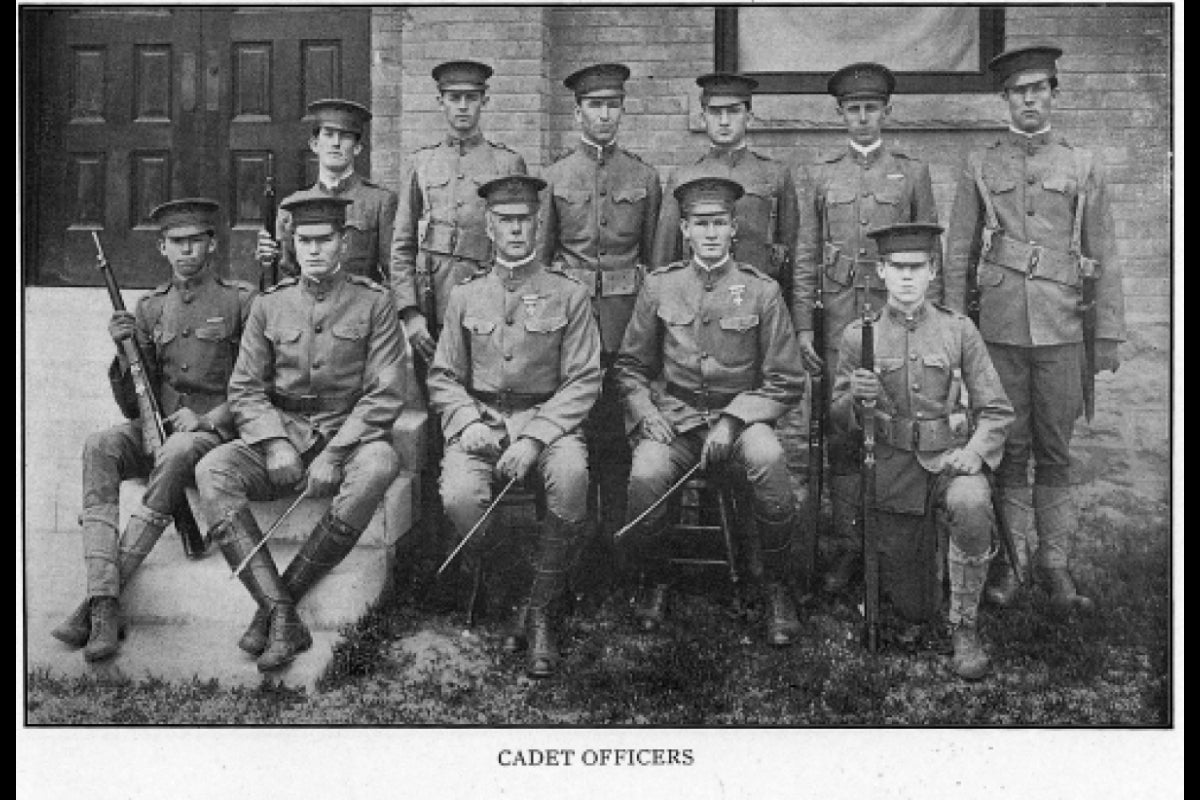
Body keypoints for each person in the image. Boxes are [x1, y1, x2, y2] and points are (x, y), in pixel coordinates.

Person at [944, 44, 1124, 615]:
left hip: (1064, 327)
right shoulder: (980, 164)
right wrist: (954, 335)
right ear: (1004, 99)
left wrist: (1109, 334)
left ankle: (1055, 566)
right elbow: (957, 255)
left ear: (1052, 93)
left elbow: (1106, 252)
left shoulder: (1082, 165)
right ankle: (1010, 563)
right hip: (997, 331)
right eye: (1019, 91)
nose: (1030, 99)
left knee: (1055, 449)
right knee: (1007, 446)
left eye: (1039, 88)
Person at [194, 194, 407, 672]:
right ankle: (283, 614)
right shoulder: (270, 305)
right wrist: (272, 442)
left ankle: (277, 605)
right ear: (292, 242)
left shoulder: (374, 303)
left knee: (379, 464)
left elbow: (386, 392)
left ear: (344, 242)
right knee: (213, 468)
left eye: (324, 240)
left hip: (347, 433)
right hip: (284, 434)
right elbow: (245, 389)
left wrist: (337, 452)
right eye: (304, 240)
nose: (313, 250)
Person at [51, 198, 256, 661]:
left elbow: (256, 384)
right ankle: (105, 602)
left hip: (212, 437)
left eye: (195, 241)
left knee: (180, 448)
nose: (186, 251)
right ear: (162, 248)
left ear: (212, 244)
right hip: (157, 432)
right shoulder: (149, 309)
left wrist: (209, 418)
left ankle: (96, 606)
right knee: (100, 445)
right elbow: (132, 401)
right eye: (176, 243)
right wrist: (124, 354)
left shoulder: (240, 300)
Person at [614, 176, 806, 647]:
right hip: (677, 419)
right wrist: (643, 410)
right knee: (646, 472)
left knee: (769, 461)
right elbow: (630, 367)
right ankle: (655, 579)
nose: (711, 233)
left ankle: (776, 585)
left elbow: (786, 379)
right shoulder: (661, 287)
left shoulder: (761, 291)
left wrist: (734, 419)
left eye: (719, 223)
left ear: (734, 228)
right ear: (685, 230)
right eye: (702, 224)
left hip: (741, 419)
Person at [427, 175, 601, 679]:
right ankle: (515, 584)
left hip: (549, 421)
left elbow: (584, 380)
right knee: (459, 497)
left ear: (539, 223)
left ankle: (541, 611)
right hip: (480, 419)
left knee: (570, 479)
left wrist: (534, 437)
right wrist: (464, 421)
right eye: (506, 221)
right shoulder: (465, 296)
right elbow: (443, 376)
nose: (516, 230)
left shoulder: (567, 294)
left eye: (525, 219)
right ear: (489, 225)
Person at [830, 222, 1014, 679]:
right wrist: (856, 398)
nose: (907, 277)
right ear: (882, 273)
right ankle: (926, 600)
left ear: (932, 272)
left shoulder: (959, 330)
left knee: (971, 502)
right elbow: (837, 422)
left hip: (951, 462)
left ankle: (965, 627)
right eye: (898, 268)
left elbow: (996, 410)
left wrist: (975, 452)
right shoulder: (859, 336)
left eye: (917, 267)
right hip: (892, 473)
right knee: (913, 609)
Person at [791, 61, 943, 595]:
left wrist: (934, 327)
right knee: (843, 429)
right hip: (837, 319)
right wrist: (804, 330)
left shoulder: (911, 172)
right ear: (840, 114)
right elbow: (807, 254)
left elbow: (931, 254)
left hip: (895, 318)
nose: (862, 118)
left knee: (897, 419)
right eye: (853, 109)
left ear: (886, 111)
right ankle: (851, 548)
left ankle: (894, 545)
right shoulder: (822, 174)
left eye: (871, 108)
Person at [536, 61, 662, 547]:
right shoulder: (554, 177)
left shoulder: (644, 177)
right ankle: (574, 540)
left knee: (617, 435)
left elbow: (655, 263)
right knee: (574, 431)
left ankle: (617, 539)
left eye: (612, 105)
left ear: (623, 110)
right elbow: (544, 261)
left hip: (625, 324)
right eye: (595, 105)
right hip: (571, 328)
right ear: (578, 112)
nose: (604, 115)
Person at [390, 60, 528, 365]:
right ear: (441, 102)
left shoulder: (506, 163)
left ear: (485, 100)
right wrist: (410, 314)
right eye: (454, 98)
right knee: (434, 398)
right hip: (431, 303)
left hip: (489, 301)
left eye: (471, 98)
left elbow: (520, 244)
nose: (463, 106)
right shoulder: (421, 163)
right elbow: (402, 244)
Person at [651, 72, 798, 295]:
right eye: (716, 112)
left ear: (749, 117)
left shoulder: (775, 175)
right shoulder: (683, 177)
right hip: (698, 299)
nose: (724, 121)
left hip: (759, 298)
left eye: (733, 111)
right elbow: (664, 258)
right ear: (703, 119)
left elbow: (792, 252)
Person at [256, 98, 397, 284]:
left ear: (357, 148)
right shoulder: (292, 205)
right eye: (328, 134)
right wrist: (267, 260)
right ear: (314, 144)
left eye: (345, 136)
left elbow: (394, 268)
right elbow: (288, 272)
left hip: (361, 307)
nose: (336, 143)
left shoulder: (380, 201)